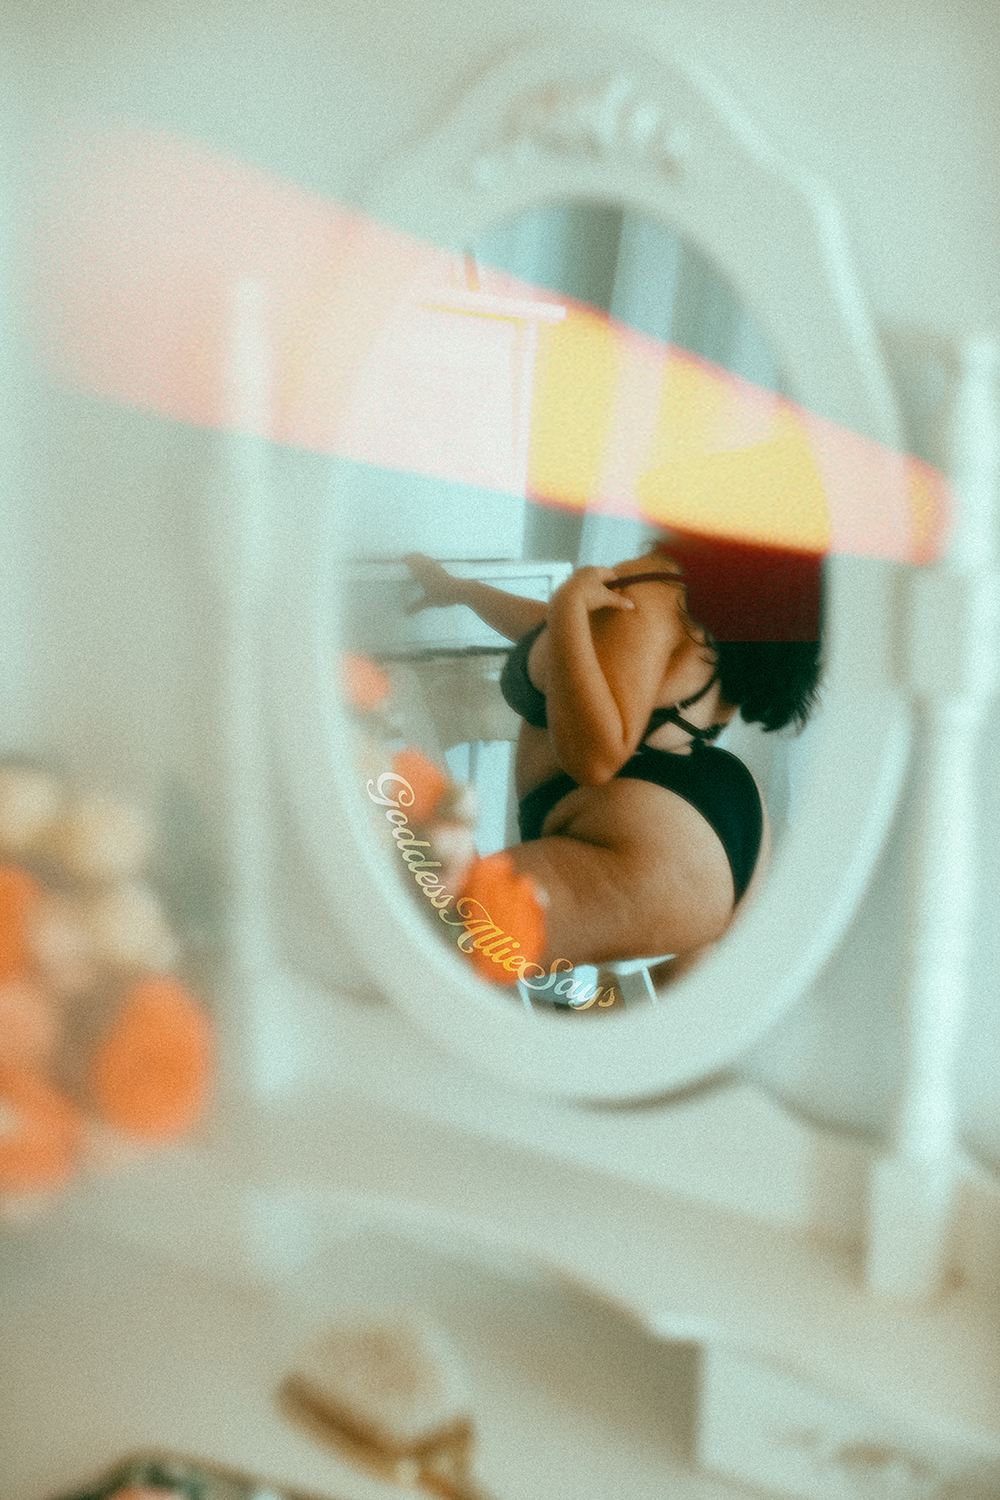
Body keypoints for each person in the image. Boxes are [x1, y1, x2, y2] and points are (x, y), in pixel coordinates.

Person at [402, 532, 822, 975]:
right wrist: (464, 591)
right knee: (631, 1032)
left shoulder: (655, 590)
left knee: (440, 940)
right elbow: (566, 641)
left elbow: (593, 762)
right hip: (733, 835)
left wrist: (568, 607)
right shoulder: (721, 621)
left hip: (652, 846)